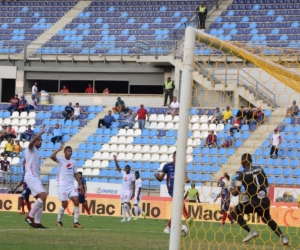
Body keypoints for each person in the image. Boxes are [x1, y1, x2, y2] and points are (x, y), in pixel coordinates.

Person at [229, 153, 288, 245]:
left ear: (243, 162)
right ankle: (283, 238)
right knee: (266, 219)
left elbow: (236, 193)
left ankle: (251, 231)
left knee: (233, 212)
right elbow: (266, 184)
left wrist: (230, 188)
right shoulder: (260, 169)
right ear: (251, 160)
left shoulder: (242, 174)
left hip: (254, 202)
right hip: (265, 201)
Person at [154, 151, 193, 233]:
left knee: (177, 209)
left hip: (180, 188)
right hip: (172, 189)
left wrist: (187, 180)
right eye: (176, 156)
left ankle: (168, 227)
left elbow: (185, 178)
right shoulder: (167, 166)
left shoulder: (182, 167)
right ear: (173, 157)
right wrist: (157, 176)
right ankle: (188, 217)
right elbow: (161, 178)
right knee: (180, 204)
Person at [50, 144, 83, 228]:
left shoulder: (73, 162)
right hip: (62, 184)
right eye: (68, 151)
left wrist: (80, 184)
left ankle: (76, 222)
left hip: (70, 185)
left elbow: (75, 174)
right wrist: (58, 149)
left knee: (76, 201)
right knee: (64, 204)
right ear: (64, 152)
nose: (70, 152)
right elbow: (51, 156)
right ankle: (58, 221)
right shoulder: (60, 159)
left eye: (71, 151)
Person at [24, 124, 48, 228]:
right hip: (31, 176)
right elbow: (31, 142)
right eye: (38, 140)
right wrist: (40, 133)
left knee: (41, 199)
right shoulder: (31, 148)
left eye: (41, 140)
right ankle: (29, 216)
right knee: (43, 196)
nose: (40, 141)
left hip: (35, 177)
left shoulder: (37, 152)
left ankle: (37, 222)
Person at [113, 155, 135, 222]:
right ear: (125, 169)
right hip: (122, 191)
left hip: (128, 191)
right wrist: (115, 160)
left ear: (130, 169)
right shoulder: (123, 172)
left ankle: (129, 215)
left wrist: (133, 192)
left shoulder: (132, 175)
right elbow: (118, 167)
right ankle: (124, 218)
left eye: (128, 168)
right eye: (126, 168)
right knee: (123, 205)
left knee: (125, 204)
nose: (127, 169)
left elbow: (133, 184)